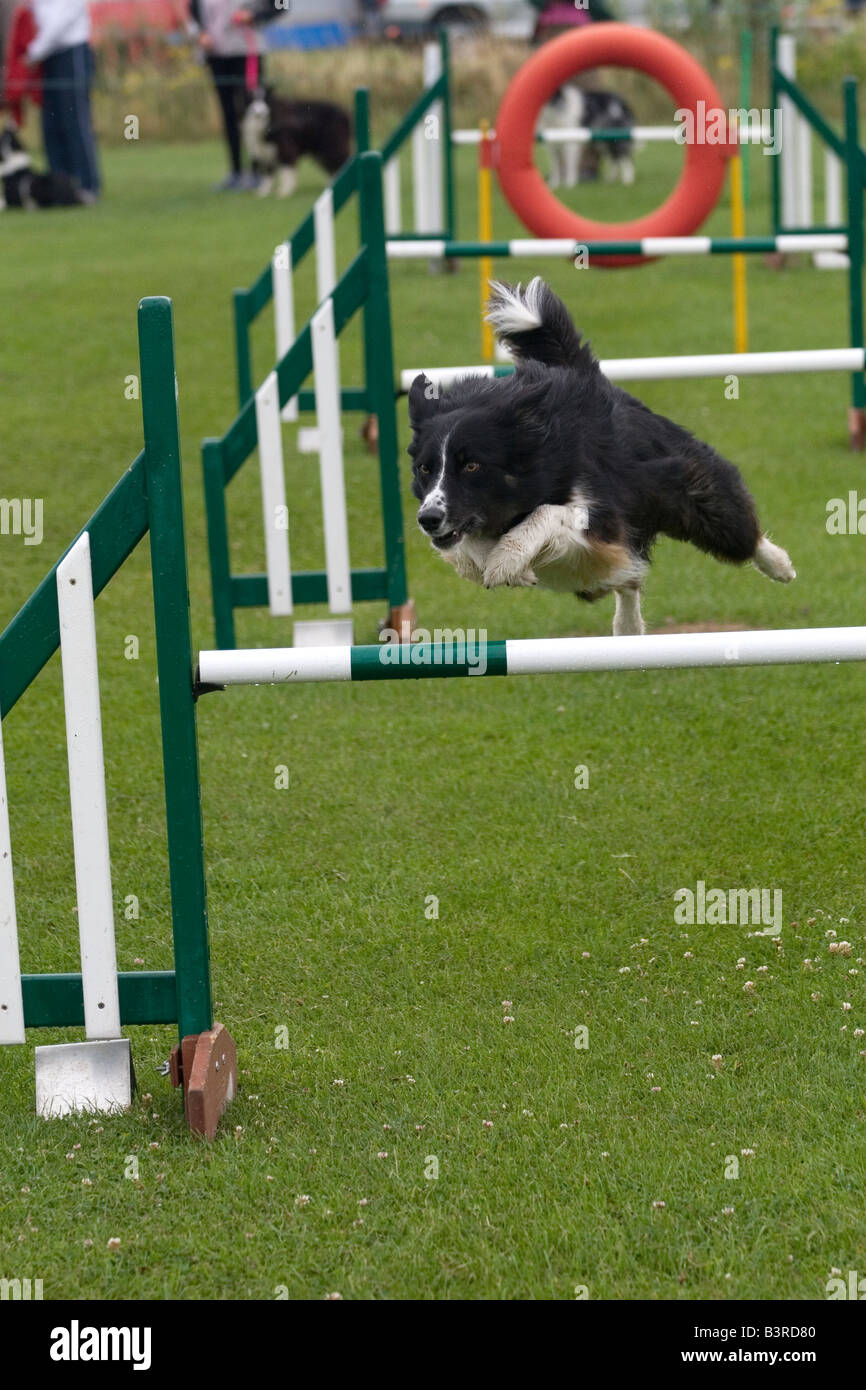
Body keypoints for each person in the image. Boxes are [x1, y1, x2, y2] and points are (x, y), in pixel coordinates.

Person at [189, 1, 280, 191]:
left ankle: (258, 172)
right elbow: (194, 8)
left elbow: (283, 4)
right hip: (216, 55)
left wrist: (255, 16)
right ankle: (236, 172)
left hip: (246, 52)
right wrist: (202, 32)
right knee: (228, 114)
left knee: (253, 113)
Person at [26, 0, 99, 201]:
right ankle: (59, 186)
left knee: (74, 121)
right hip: (47, 55)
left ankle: (87, 184)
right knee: (51, 124)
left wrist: (35, 50)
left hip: (70, 50)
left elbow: (62, 18)